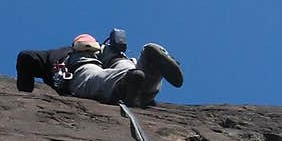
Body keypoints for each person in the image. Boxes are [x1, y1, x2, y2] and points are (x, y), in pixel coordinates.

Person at [15, 29, 183, 108]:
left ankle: (126, 85)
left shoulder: (60, 53)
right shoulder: (108, 50)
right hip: (117, 59)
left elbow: (26, 57)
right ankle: (149, 58)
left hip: (79, 67)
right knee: (126, 65)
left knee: (95, 77)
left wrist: (25, 90)